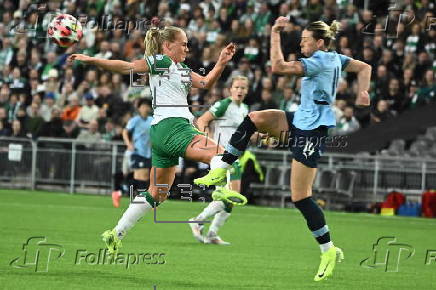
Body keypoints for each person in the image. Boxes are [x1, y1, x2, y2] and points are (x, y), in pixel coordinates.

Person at [194, 17, 371, 281]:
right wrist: (363, 93)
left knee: (301, 197)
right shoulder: (337, 58)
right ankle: (223, 168)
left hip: (311, 132)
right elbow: (365, 66)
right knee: (254, 119)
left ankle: (328, 250)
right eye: (300, 39)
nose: (301, 44)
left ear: (320, 42)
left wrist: (275, 33)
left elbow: (277, 67)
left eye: (305, 40)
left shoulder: (319, 61)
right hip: (299, 119)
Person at [68, 25, 245, 254]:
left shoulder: (180, 68)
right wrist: (91, 60)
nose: (187, 48)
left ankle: (116, 232)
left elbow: (205, 83)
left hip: (161, 132)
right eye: (183, 44)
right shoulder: (161, 61)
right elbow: (128, 67)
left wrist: (221, 62)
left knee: (157, 193)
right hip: (174, 127)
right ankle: (220, 188)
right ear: (167, 45)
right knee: (223, 154)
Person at [189, 76, 250, 245]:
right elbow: (202, 121)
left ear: (247, 91)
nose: (240, 90)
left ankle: (211, 233)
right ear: (230, 89)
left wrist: (264, 136)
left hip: (235, 158)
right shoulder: (224, 105)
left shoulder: (245, 108)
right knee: (229, 196)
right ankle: (199, 221)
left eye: (243, 88)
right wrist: (209, 144)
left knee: (231, 197)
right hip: (222, 158)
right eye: (237, 87)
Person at [112, 98, 153, 208]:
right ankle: (141, 200)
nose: (145, 108)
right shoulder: (135, 120)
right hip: (137, 151)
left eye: (147, 106)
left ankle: (120, 193)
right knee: (142, 175)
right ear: (139, 108)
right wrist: (128, 143)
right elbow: (125, 131)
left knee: (141, 177)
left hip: (148, 152)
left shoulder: (151, 120)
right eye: (143, 106)